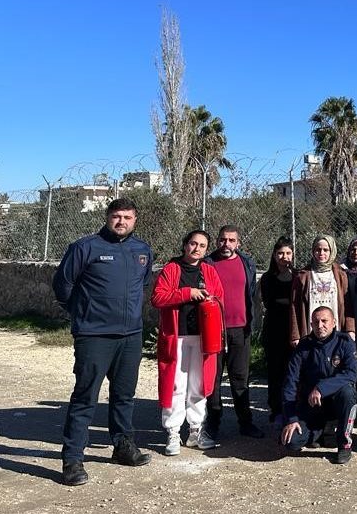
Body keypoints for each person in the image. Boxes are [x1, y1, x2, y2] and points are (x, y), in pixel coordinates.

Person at [53, 197, 154, 486]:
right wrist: (81, 314)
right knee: (85, 397)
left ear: (135, 220)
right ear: (107, 217)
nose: (121, 221)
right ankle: (72, 459)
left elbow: (141, 285)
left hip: (130, 336)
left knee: (124, 395)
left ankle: (123, 446)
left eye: (128, 217)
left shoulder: (142, 250)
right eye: (116, 216)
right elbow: (63, 286)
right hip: (93, 336)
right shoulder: (84, 248)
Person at [151, 229, 224, 455]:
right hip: (177, 337)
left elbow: (220, 298)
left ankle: (195, 430)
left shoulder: (209, 271)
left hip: (202, 337)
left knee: (198, 385)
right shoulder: (171, 269)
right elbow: (158, 297)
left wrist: (210, 299)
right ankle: (173, 432)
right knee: (176, 385)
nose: (197, 249)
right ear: (185, 245)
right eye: (193, 244)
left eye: (202, 246)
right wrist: (186, 293)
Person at [203, 225, 262, 445]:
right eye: (222, 240)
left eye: (231, 240)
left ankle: (245, 423)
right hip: (213, 330)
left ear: (238, 243)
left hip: (241, 329)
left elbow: (250, 294)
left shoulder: (247, 263)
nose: (226, 244)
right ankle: (213, 424)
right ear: (217, 241)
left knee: (240, 378)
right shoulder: (207, 263)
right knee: (214, 379)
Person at [281, 305, 357, 464]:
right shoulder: (303, 347)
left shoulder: (345, 342)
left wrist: (321, 388)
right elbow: (290, 383)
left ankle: (344, 444)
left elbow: (351, 374)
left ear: (334, 322)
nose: (320, 325)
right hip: (313, 406)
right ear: (310, 325)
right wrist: (291, 418)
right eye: (315, 322)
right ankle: (321, 430)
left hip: (336, 403)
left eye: (324, 321)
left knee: (348, 393)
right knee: (291, 442)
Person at [290, 235, 355, 343]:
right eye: (318, 250)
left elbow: (348, 304)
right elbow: (294, 306)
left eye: (326, 250)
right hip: (311, 330)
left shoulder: (341, 274)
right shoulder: (302, 276)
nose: (321, 253)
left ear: (332, 251)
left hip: (336, 330)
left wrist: (350, 329)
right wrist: (295, 335)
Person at [259, 237, 295, 424]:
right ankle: (276, 409)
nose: (284, 257)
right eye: (280, 253)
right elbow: (269, 302)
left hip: (294, 331)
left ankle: (293, 408)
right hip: (274, 331)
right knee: (275, 373)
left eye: (288, 253)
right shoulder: (267, 278)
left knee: (293, 372)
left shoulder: (298, 276)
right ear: (274, 255)